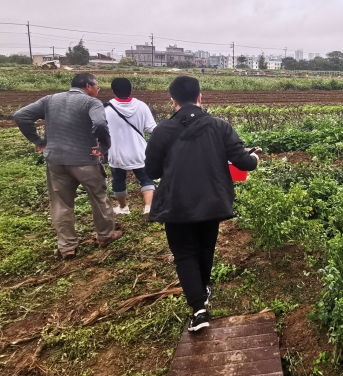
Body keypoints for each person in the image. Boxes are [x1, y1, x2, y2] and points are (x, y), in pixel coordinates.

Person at [145, 76, 259, 331]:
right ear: (200, 97)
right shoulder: (219, 126)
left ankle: (199, 309)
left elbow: (151, 169)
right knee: (206, 247)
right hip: (211, 202)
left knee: (184, 254)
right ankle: (203, 290)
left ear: (172, 100)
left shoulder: (163, 130)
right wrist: (254, 159)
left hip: (176, 204)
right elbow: (242, 161)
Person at [13, 72, 123, 259]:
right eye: (96, 85)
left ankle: (67, 246)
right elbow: (100, 124)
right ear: (87, 86)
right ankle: (105, 235)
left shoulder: (50, 100)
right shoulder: (91, 102)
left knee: (60, 202)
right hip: (85, 160)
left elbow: (21, 115)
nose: (98, 89)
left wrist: (38, 140)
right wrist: (104, 147)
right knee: (99, 198)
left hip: (56, 161)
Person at [105, 77, 157, 215]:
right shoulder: (141, 106)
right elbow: (152, 128)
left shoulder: (106, 108)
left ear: (113, 90)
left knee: (118, 180)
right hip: (139, 151)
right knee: (146, 178)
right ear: (130, 89)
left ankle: (123, 208)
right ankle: (148, 207)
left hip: (117, 153)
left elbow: (99, 129)